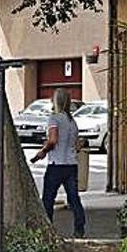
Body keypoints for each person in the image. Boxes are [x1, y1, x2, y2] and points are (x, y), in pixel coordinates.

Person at [30, 88, 86, 238]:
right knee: (74, 199)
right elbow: (77, 144)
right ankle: (79, 229)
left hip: (56, 164)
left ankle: (47, 231)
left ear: (56, 101)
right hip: (71, 165)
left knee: (48, 199)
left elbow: (53, 140)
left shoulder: (54, 119)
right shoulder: (71, 121)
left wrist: (43, 150)